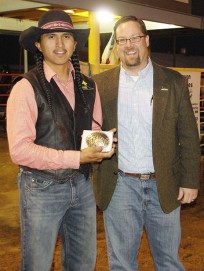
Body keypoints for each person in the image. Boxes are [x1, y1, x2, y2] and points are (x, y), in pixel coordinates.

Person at [6, 10, 115, 271]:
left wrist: (105, 142)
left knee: (83, 262)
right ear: (38, 44)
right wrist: (77, 157)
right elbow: (19, 150)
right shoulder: (26, 87)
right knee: (38, 264)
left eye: (66, 36)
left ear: (74, 44)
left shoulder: (89, 86)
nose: (59, 44)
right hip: (41, 188)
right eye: (51, 37)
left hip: (82, 184)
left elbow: (93, 129)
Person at [92, 16, 200, 271]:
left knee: (168, 262)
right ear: (117, 45)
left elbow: (188, 135)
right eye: (122, 40)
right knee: (121, 264)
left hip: (164, 184)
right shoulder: (101, 84)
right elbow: (92, 129)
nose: (129, 45)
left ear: (146, 40)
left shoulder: (173, 81)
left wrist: (190, 180)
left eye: (135, 38)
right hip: (119, 186)